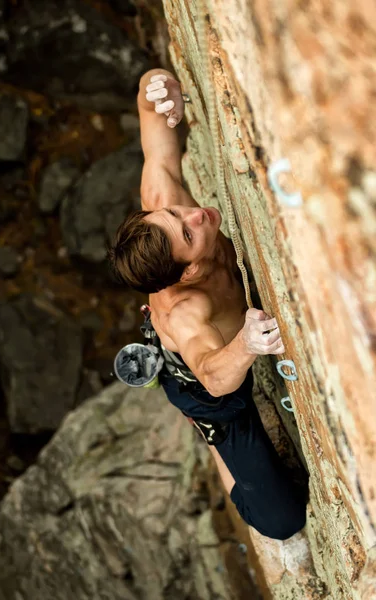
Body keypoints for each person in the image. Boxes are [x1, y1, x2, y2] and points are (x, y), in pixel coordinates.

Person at [109, 68, 308, 540]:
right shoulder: (189, 312)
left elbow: (149, 116)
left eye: (176, 214)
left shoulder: (164, 202)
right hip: (202, 383)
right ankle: (214, 444)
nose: (197, 213)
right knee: (281, 522)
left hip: (211, 343)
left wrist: (161, 87)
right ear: (189, 272)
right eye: (188, 232)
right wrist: (246, 342)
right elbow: (216, 378)